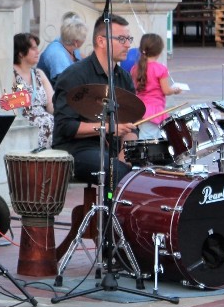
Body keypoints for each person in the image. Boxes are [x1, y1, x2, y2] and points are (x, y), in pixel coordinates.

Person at [52, 14, 138, 184]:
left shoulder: (124, 78)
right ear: (101, 41)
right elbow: (66, 127)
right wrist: (107, 128)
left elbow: (131, 126)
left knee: (160, 166)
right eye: (121, 39)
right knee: (115, 171)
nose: (128, 44)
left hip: (113, 150)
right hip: (77, 149)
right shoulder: (74, 75)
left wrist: (124, 157)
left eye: (129, 38)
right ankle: (108, 210)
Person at [131, 33, 181, 140]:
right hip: (154, 110)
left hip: (140, 108)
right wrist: (175, 90)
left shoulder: (135, 68)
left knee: (149, 134)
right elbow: (166, 90)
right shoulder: (160, 69)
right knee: (149, 137)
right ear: (159, 51)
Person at [12, 33, 54, 150]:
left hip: (49, 133)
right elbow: (14, 110)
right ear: (21, 53)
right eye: (33, 49)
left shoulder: (39, 74)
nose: (37, 52)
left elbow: (52, 104)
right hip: (25, 133)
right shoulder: (12, 75)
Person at [38, 15, 88, 85]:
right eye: (84, 37)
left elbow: (80, 57)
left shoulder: (67, 40)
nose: (85, 39)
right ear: (76, 42)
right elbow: (67, 83)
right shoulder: (57, 55)